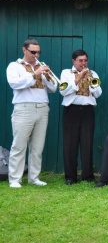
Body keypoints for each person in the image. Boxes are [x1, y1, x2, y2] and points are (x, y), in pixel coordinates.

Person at [6, 39, 57, 188]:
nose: (36, 55)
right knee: (19, 146)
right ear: (24, 50)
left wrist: (47, 75)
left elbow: (53, 89)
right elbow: (15, 83)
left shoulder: (41, 67)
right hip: (23, 108)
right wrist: (35, 74)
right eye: (33, 52)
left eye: (38, 52)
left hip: (42, 107)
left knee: (37, 147)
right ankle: (15, 179)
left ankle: (34, 178)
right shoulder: (15, 66)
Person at [59, 50, 102, 185]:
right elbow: (63, 91)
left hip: (88, 110)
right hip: (71, 110)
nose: (83, 63)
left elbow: (98, 93)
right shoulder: (66, 73)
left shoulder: (93, 74)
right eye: (80, 60)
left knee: (87, 143)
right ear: (74, 61)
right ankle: (70, 177)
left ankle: (88, 175)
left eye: (85, 60)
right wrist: (78, 78)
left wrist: (90, 80)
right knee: (70, 144)